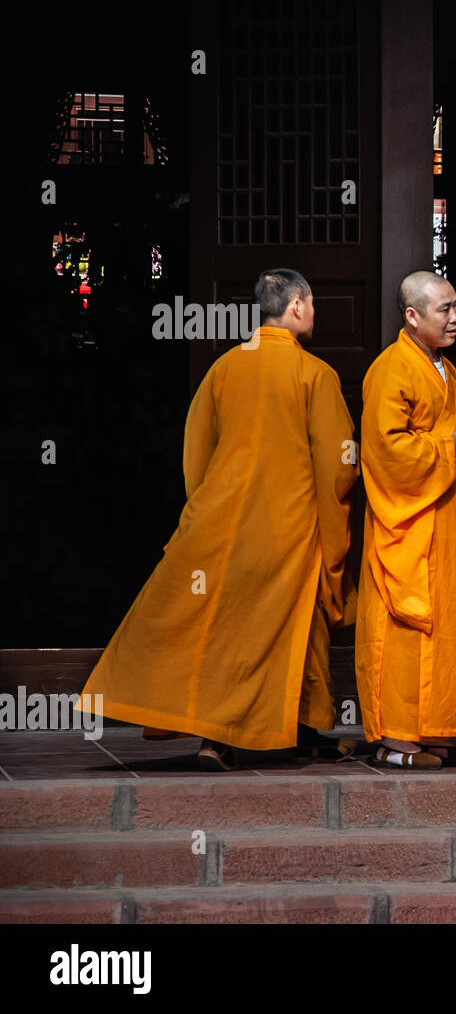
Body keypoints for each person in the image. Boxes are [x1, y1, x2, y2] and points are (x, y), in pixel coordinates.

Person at [79, 269, 357, 770]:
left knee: (217, 629)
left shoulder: (224, 368)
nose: (314, 313)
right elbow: (337, 467)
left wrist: (206, 509)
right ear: (295, 307)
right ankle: (247, 734)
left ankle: (262, 733)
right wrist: (332, 533)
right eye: (311, 304)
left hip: (221, 523)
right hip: (286, 529)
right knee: (281, 631)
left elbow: (195, 452)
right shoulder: (316, 375)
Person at [354, 271, 456, 768]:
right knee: (408, 628)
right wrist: (447, 447)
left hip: (451, 522)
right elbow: (384, 448)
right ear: (412, 316)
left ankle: (438, 727)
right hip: (412, 523)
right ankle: (396, 739)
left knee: (451, 625)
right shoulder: (391, 368)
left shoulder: (446, 370)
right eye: (445, 309)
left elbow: (453, 432)